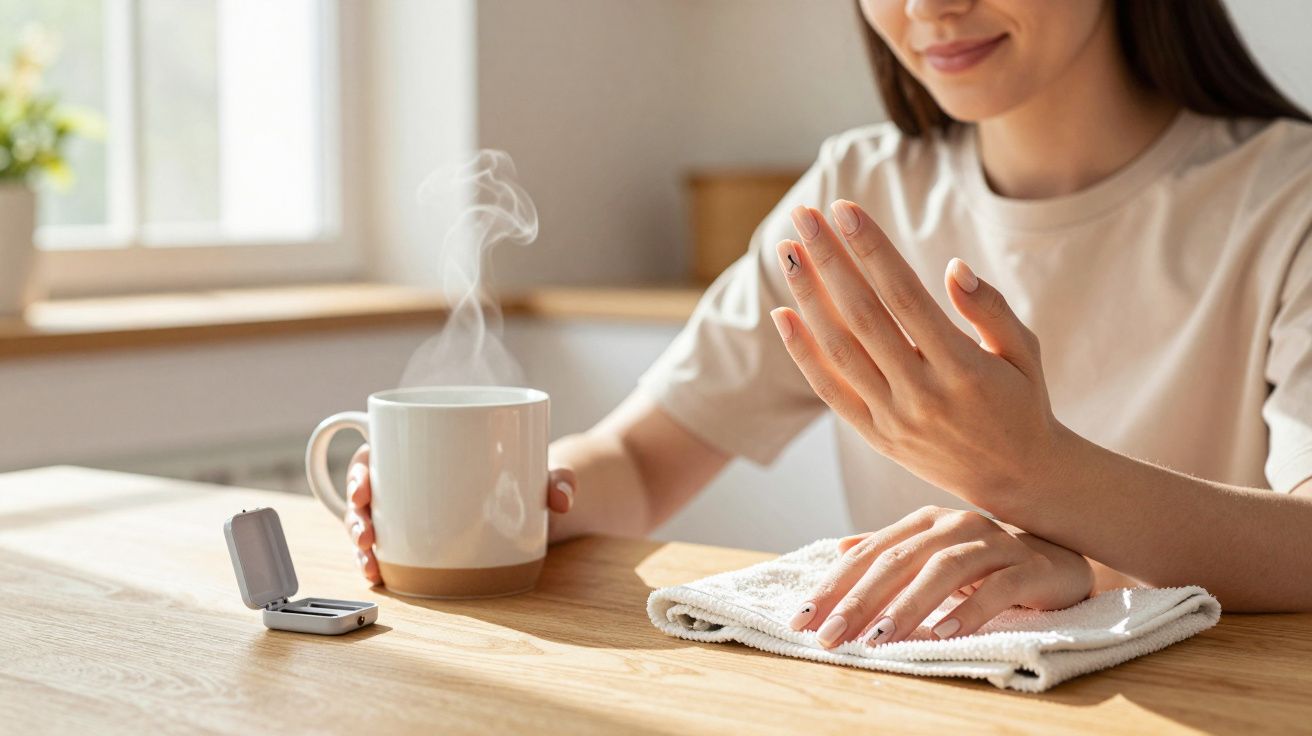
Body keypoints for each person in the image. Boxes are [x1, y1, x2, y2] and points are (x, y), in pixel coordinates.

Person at [342, 0, 1312, 649]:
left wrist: (1041, 481)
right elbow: (639, 464)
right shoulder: (856, 191)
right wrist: (505, 493)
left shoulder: (1286, 199)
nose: (928, 5)